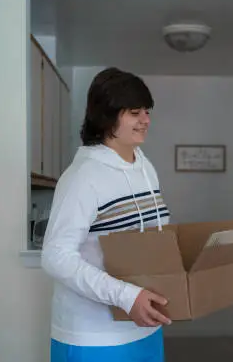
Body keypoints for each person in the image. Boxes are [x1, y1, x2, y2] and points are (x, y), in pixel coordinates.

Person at [42, 67, 171, 362]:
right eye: (134, 112)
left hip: (144, 327)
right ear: (107, 116)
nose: (146, 120)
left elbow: (154, 237)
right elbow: (55, 256)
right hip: (94, 337)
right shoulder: (82, 177)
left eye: (147, 111)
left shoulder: (145, 166)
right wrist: (127, 296)